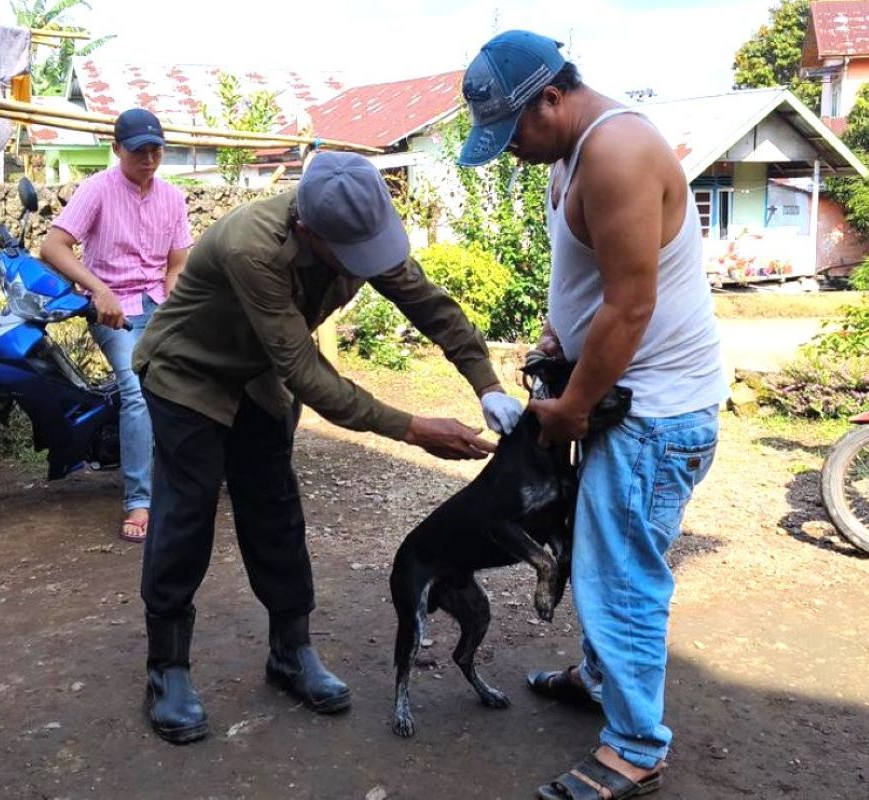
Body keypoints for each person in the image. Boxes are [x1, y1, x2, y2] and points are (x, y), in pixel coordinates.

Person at [130, 150, 525, 744]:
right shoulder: (251, 247)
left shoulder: (358, 230)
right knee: (186, 517)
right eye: (351, 255)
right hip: (189, 376)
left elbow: (429, 305)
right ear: (308, 231)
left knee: (277, 513)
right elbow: (306, 373)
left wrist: (487, 384)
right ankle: (167, 669)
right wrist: (413, 428)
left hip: (257, 380)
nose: (367, 265)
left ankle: (291, 652)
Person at [458, 30, 728, 799]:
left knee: (623, 577)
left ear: (553, 96)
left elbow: (633, 303)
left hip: (652, 415)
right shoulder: (567, 152)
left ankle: (637, 747)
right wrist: (560, 335)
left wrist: (572, 406)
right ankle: (600, 675)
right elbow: (594, 276)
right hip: (622, 402)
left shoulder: (616, 153)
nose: (510, 151)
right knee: (597, 552)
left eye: (514, 133)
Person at [41, 108, 193, 544]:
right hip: (113, 309)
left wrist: (177, 304)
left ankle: (196, 474)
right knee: (137, 388)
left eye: (156, 150)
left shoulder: (172, 197)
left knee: (196, 377)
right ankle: (140, 500)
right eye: (138, 151)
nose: (148, 159)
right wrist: (98, 289)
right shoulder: (98, 189)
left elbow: (178, 263)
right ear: (116, 149)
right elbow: (54, 245)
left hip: (159, 305)